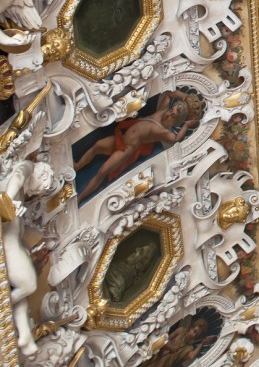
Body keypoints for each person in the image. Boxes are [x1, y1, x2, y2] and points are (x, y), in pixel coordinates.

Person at [74, 90, 203, 200]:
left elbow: (175, 139)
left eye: (173, 115)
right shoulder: (161, 111)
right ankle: (78, 165)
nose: (169, 113)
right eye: (171, 110)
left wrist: (186, 126)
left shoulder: (163, 131)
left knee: (102, 171)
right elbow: (169, 94)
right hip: (121, 138)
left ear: (176, 121)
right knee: (97, 145)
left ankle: (80, 197)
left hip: (127, 149)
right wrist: (185, 97)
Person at [1, 160, 59, 356]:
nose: (35, 194)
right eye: (40, 189)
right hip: (7, 246)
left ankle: (24, 335)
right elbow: (18, 174)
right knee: (29, 285)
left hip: (11, 245)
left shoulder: (21, 197)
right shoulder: (28, 167)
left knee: (23, 291)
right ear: (41, 174)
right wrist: (8, 202)